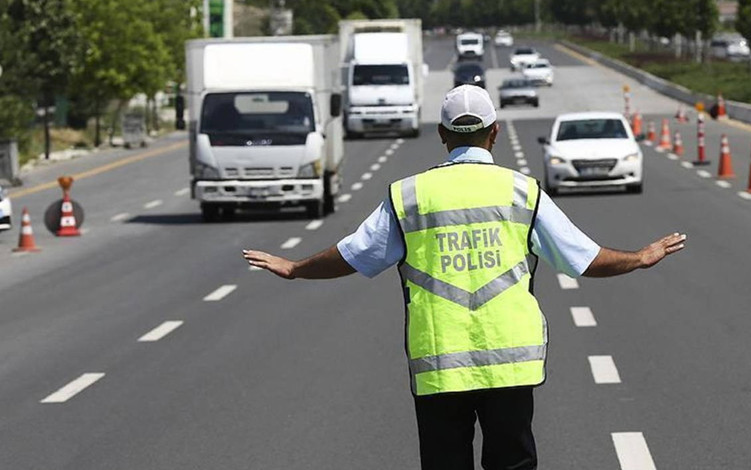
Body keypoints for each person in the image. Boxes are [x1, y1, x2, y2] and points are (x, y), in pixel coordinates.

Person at [243, 85, 686, 470]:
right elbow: (583, 259)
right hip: (511, 365)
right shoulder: (521, 191)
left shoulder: (410, 195)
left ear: (442, 135)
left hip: (440, 363)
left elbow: (355, 255)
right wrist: (640, 257)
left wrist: (295, 269)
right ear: (494, 133)